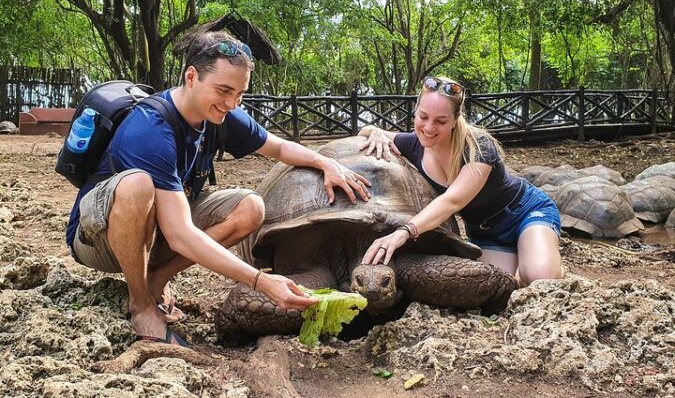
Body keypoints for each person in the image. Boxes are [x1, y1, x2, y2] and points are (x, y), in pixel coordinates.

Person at [65, 31, 372, 346]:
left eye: (240, 93)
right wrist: (261, 281)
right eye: (224, 90)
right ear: (191, 76)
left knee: (250, 207)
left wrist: (326, 164)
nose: (231, 103)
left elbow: (278, 148)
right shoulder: (150, 128)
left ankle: (156, 280)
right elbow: (180, 234)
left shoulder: (219, 116)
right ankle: (141, 304)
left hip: (157, 230)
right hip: (100, 238)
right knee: (136, 185)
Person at [358, 76, 562, 286]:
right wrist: (375, 132)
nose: (428, 128)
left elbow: (452, 202)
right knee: (499, 287)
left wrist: (404, 232)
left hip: (524, 212)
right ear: (416, 110)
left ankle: (548, 262)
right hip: (484, 233)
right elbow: (363, 132)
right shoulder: (413, 144)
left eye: (440, 121)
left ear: (456, 119)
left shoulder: (478, 147)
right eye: (423, 116)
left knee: (540, 277)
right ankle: (528, 259)